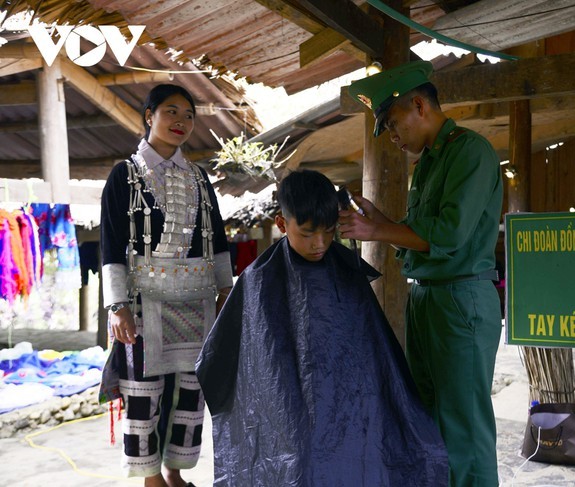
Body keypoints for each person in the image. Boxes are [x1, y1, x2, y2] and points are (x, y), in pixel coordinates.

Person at [196, 169, 448, 486]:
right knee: (302, 459)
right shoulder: (259, 279)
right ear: (282, 224)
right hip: (286, 412)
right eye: (307, 234)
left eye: (329, 232)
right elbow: (228, 358)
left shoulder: (346, 269)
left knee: (394, 449)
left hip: (354, 404)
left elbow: (374, 354)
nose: (320, 244)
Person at [340, 60, 504, 486]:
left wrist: (377, 229)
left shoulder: (470, 150)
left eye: (393, 123)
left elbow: (449, 233)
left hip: (461, 300)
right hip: (429, 297)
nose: (392, 137)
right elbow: (421, 235)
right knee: (428, 418)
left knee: (464, 427)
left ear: (419, 105)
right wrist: (384, 222)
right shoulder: (429, 162)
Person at [99, 84, 233, 487]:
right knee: (144, 391)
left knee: (188, 391)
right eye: (171, 111)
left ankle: (175, 470)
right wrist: (117, 305)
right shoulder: (125, 175)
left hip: (196, 302)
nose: (181, 122)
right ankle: (151, 477)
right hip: (143, 303)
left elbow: (219, 239)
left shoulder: (199, 177)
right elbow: (110, 241)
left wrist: (226, 290)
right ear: (149, 116)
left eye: (189, 115)